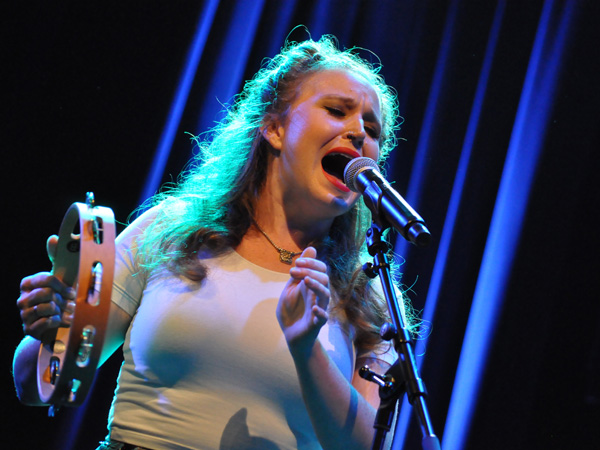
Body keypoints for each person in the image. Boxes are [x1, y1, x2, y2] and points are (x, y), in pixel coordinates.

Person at [13, 35, 417, 450]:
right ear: (274, 128)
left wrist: (306, 349)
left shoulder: (369, 293)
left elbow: (369, 445)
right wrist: (51, 331)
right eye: (336, 111)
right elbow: (34, 385)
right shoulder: (172, 230)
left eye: (372, 130)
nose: (358, 133)